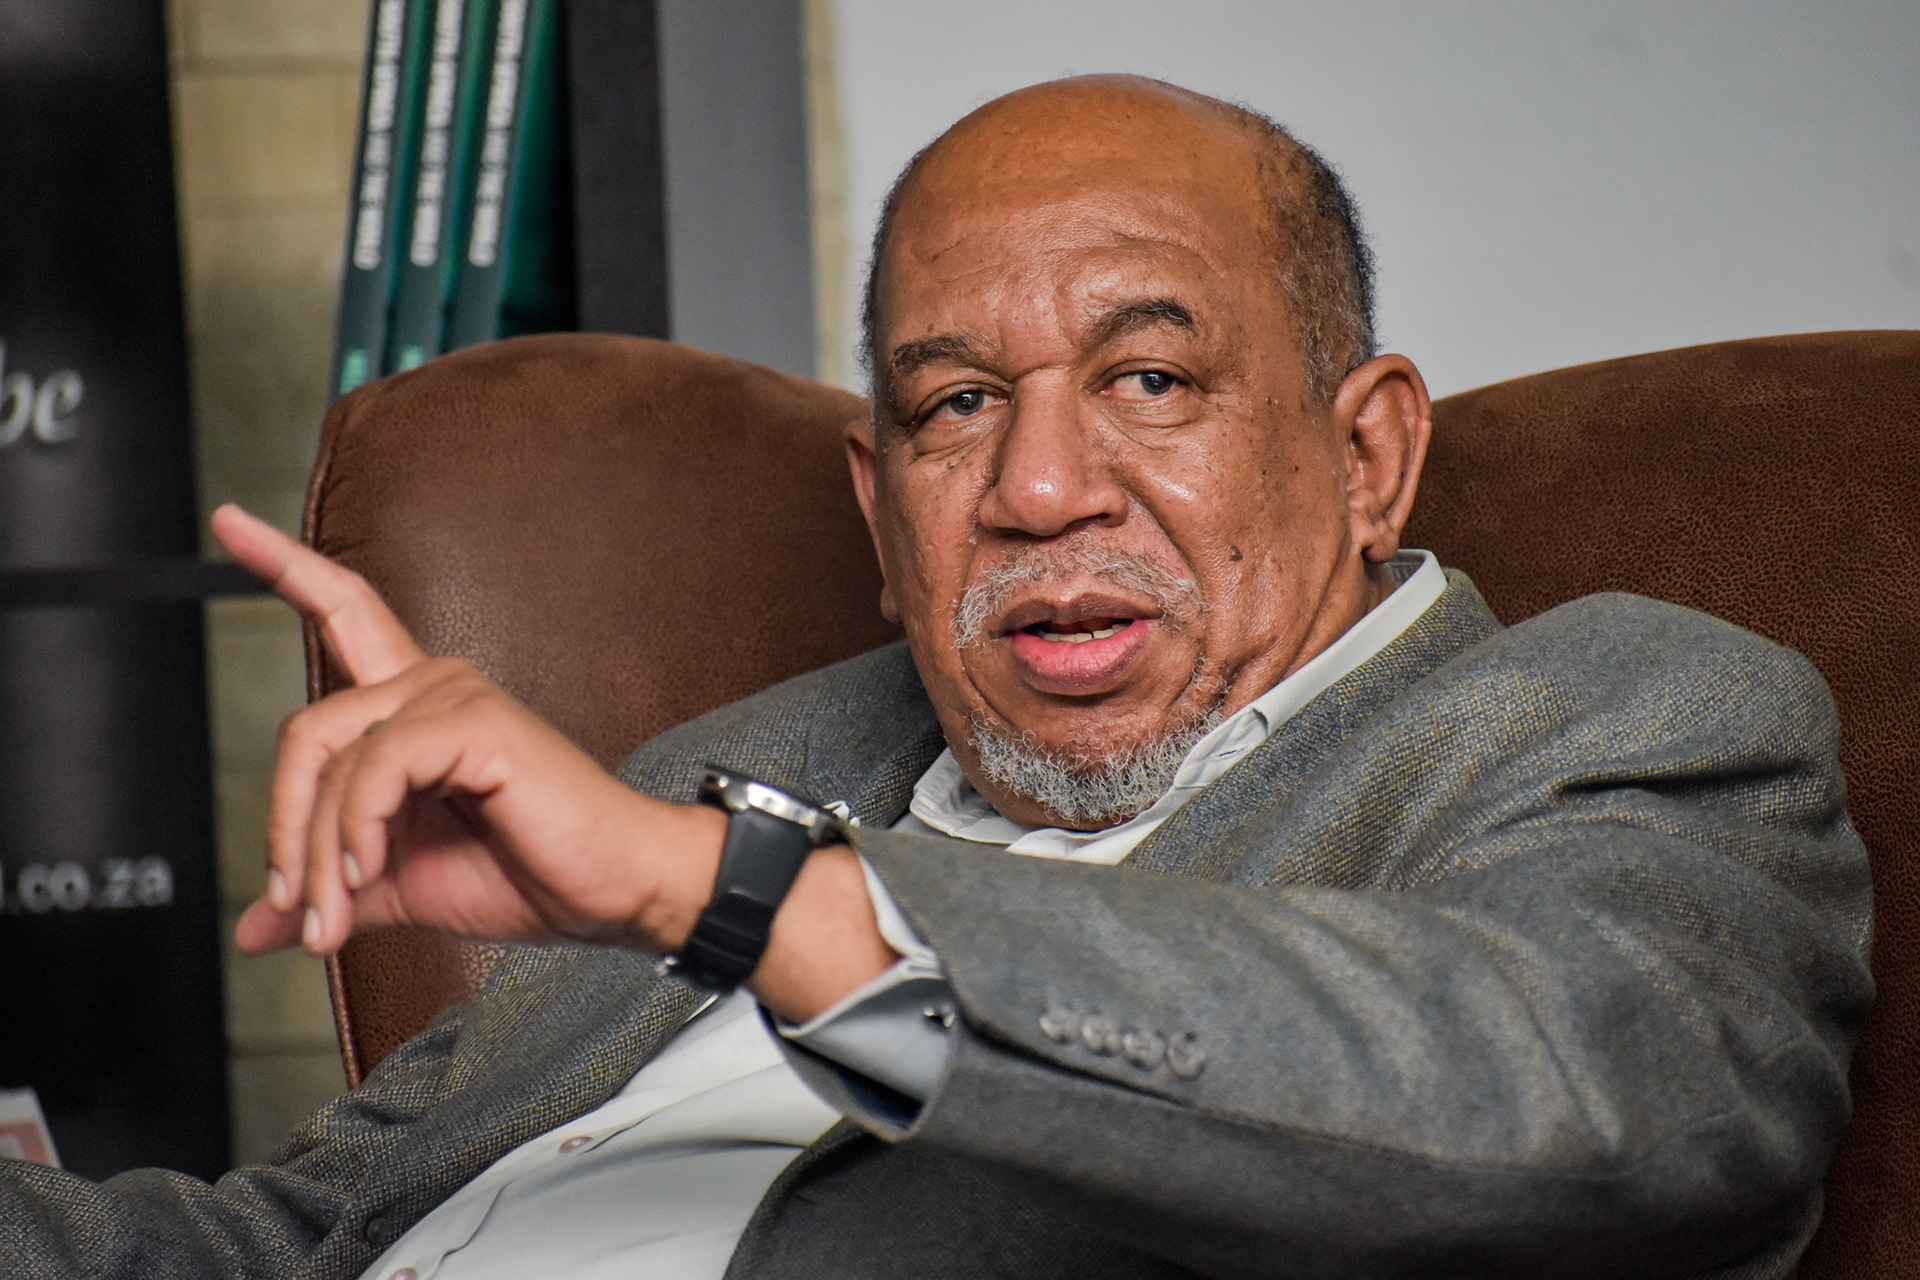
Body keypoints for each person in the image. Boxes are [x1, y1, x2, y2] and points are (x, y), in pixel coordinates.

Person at [1, 75, 1869, 1279]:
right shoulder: (759, 758)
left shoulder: (1624, 715)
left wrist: (747, 900)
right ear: (879, 507)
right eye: (957, 405)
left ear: (1367, 452)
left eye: (1151, 379)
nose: (1039, 489)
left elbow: (1606, 1111)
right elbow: (290, 1240)